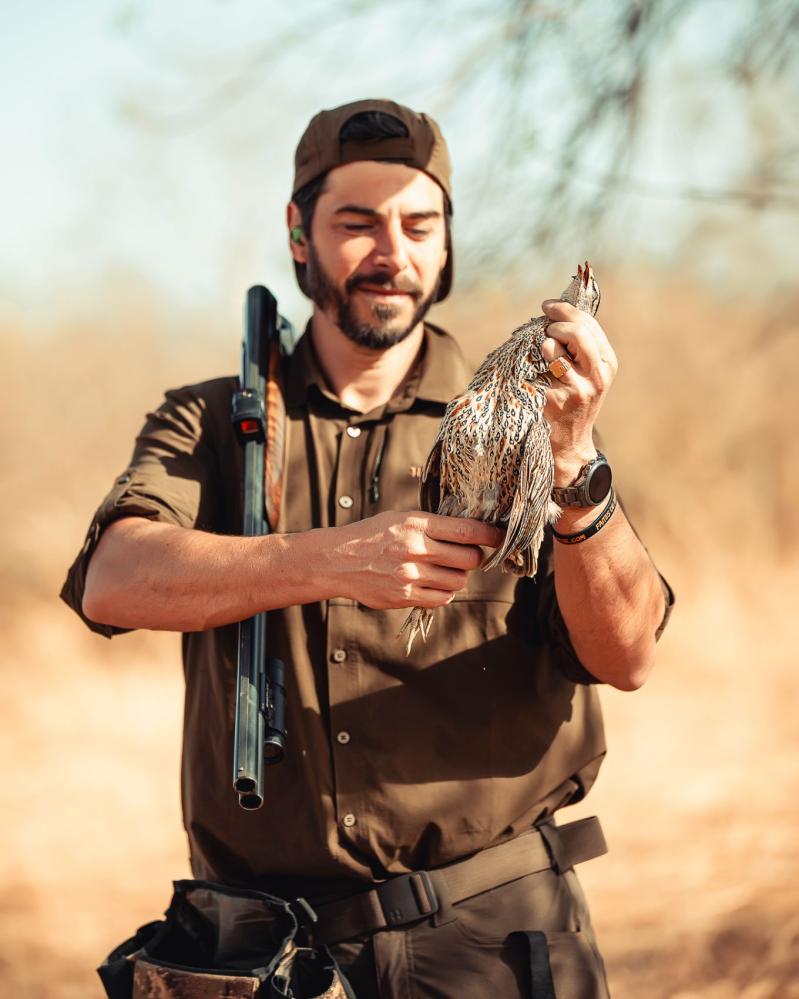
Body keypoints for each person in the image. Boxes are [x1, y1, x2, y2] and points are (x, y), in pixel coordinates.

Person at [61, 98, 673, 998]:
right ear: (297, 233)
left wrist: (576, 464)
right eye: (357, 223)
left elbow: (627, 656)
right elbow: (112, 580)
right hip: (261, 957)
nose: (392, 251)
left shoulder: (530, 419)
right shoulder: (211, 421)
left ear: (446, 243)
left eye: (418, 225)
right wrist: (325, 560)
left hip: (493, 946)